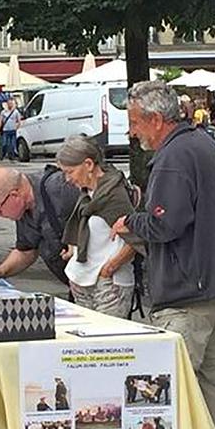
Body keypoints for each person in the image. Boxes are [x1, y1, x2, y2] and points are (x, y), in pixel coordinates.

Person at [112, 81, 215, 429]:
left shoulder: (172, 157)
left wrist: (129, 222)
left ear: (154, 119)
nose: (131, 131)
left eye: (134, 122)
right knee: (209, 381)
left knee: (171, 388)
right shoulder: (200, 141)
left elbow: (167, 224)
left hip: (186, 290)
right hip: (212, 281)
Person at [56, 136, 144, 319]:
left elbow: (137, 238)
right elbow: (86, 226)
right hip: (83, 278)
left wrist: (109, 269)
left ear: (88, 164)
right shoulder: (88, 192)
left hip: (108, 284)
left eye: (70, 172)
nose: (67, 179)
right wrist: (73, 248)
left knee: (106, 343)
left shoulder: (113, 193)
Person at [0, 166, 79, 285]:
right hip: (77, 285)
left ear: (14, 195)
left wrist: (77, 242)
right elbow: (26, 251)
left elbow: (100, 207)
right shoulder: (22, 210)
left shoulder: (60, 187)